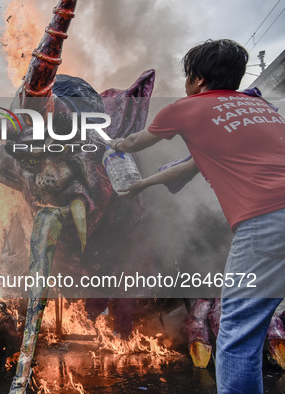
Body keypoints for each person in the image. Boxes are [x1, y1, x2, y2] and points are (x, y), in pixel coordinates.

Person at [110, 39, 285, 394]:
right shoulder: (261, 107)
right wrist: (143, 184)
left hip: (265, 221)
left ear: (199, 80)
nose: (185, 85)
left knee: (237, 334)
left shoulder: (183, 109)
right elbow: (189, 165)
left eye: (188, 77)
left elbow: (136, 142)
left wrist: (115, 144)